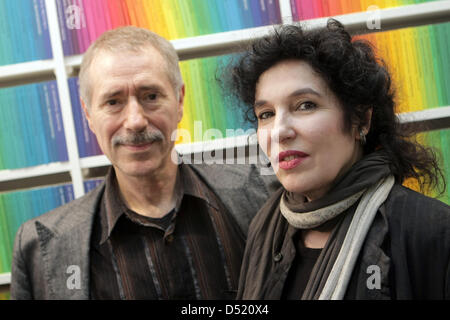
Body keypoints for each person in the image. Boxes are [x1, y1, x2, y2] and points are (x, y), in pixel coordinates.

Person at [10, 26, 278, 300]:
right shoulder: (38, 250)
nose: (135, 121)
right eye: (113, 102)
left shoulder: (267, 196)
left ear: (180, 101)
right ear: (88, 114)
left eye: (151, 96)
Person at [228, 20, 450, 299]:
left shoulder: (432, 233)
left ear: (361, 119)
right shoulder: (266, 225)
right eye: (266, 114)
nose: (279, 131)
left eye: (305, 105)